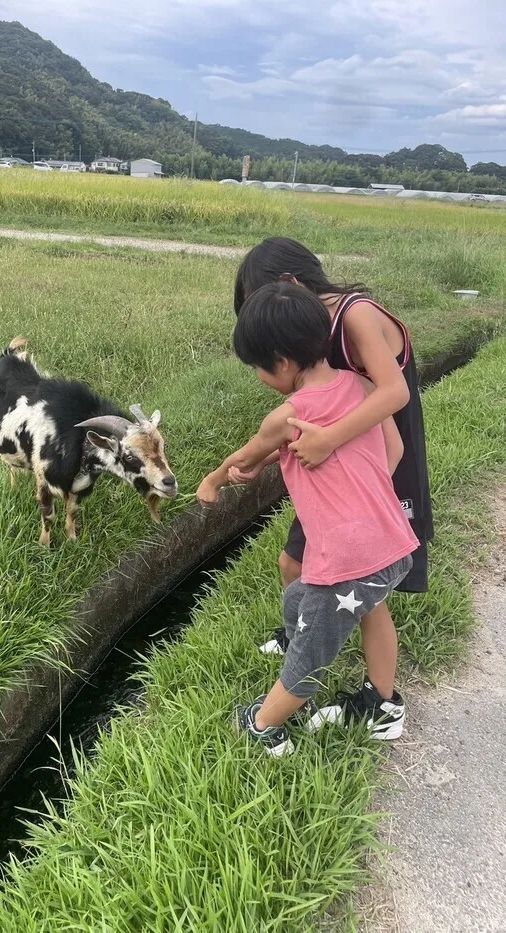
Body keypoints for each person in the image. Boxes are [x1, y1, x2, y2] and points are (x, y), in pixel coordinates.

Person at [197, 283, 418, 757]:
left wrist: (214, 479)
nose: (258, 375)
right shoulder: (359, 385)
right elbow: (393, 450)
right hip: (392, 542)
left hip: (347, 557)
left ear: (281, 361)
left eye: (257, 367)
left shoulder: (289, 416)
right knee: (333, 603)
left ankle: (260, 726)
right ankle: (382, 706)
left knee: (310, 648)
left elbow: (247, 456)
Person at [232, 238, 432, 628]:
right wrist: (266, 456)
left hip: (381, 451)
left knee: (364, 573)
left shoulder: (354, 314)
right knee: (298, 560)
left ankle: (369, 678)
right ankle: (304, 635)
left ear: (290, 282)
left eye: (261, 299)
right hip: (342, 453)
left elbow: (395, 392)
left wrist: (327, 439)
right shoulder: (309, 329)